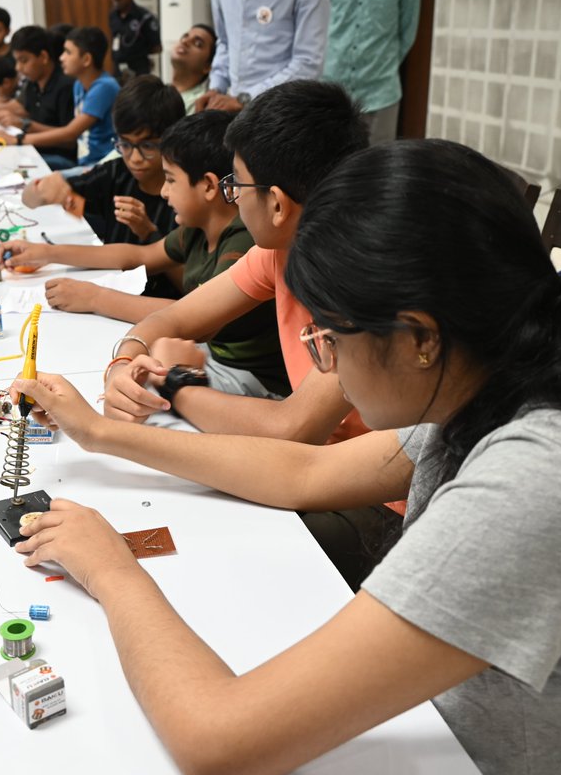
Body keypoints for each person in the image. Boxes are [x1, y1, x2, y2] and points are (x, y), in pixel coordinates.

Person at [8, 139, 561, 775]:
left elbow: (215, 740)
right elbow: (301, 475)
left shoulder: (542, 482)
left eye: (328, 341)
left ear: (418, 337)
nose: (323, 361)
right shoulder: (510, 371)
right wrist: (103, 437)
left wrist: (111, 567)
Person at [100, 81, 396, 585]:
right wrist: (126, 358)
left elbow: (291, 431)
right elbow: (170, 319)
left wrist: (171, 386)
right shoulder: (278, 250)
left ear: (277, 203)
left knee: (205, 548)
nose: (233, 200)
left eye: (236, 186)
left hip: (380, 502)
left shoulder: (360, 282)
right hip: (314, 468)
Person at [7, 110, 290, 400]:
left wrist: (95, 298)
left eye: (170, 180)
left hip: (252, 380)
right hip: (216, 358)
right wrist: (46, 253)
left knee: (138, 391)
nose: (164, 193)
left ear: (207, 185)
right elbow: (135, 255)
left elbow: (193, 315)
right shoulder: (196, 227)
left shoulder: (243, 241)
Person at [18, 76, 180, 257]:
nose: (135, 158)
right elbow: (28, 200)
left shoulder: (184, 195)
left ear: (170, 141)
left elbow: (186, 278)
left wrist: (149, 233)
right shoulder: (116, 174)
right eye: (125, 145)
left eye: (147, 146)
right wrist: (43, 190)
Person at [0, 26, 120, 168]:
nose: (61, 57)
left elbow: (70, 133)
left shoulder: (104, 87)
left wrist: (18, 140)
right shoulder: (79, 85)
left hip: (101, 166)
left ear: (86, 59)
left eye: (68, 52)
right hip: (85, 163)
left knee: (30, 177)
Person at [197, 0, 328, 114]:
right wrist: (216, 87)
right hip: (234, 109)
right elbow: (225, 43)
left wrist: (246, 99)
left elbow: (308, 63)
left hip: (283, 112)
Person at [325, 0, 420, 143]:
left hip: (380, 92)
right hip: (332, 87)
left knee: (377, 163)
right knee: (328, 162)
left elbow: (407, 31)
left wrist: (383, 64)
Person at [0, 26, 76, 168]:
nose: (18, 68)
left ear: (43, 57)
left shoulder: (66, 86)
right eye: (16, 61)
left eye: (24, 60)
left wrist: (24, 126)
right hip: (32, 149)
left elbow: (68, 139)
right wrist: (8, 120)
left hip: (59, 157)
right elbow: (18, 110)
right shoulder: (31, 84)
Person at [108, 0, 160, 78]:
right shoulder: (113, 15)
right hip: (118, 69)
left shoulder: (145, 17)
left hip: (138, 69)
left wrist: (138, 52)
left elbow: (157, 47)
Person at [168, 25, 215, 113]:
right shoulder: (158, 92)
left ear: (207, 67)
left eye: (198, 44)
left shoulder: (203, 105)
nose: (185, 41)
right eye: (184, 37)